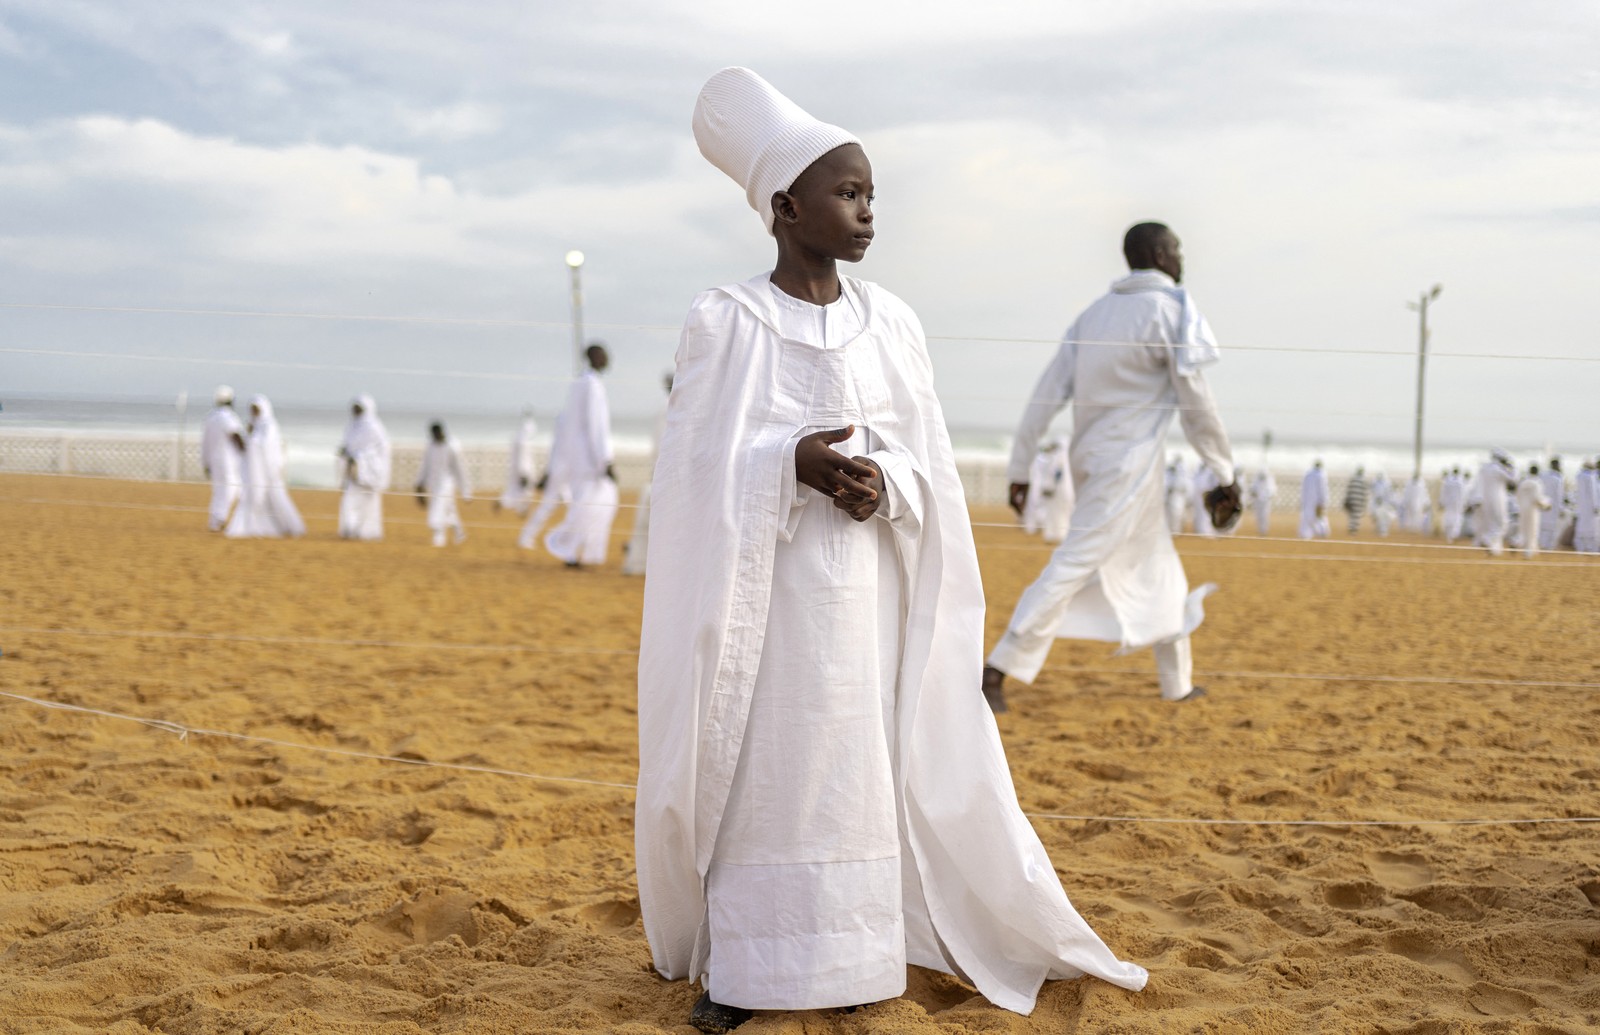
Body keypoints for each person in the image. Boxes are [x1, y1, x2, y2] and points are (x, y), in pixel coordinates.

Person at [636, 67, 1147, 1034]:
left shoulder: (895, 324)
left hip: (866, 591)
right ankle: (748, 968)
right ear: (785, 208)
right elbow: (691, 470)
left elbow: (930, 463)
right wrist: (784, 462)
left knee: (855, 759)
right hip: (768, 602)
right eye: (848, 193)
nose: (868, 213)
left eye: (872, 194)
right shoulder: (726, 319)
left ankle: (857, 953)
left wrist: (887, 484)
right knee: (769, 762)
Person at [981, 220, 1234, 714]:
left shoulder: (1092, 316)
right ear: (1159, 254)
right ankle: (996, 669)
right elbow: (1197, 404)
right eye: (1177, 249)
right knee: (1073, 560)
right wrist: (1223, 470)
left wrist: (1020, 466)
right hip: (1127, 465)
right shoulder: (1171, 313)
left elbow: (1045, 393)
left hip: (1095, 462)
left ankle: (1177, 683)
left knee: (1161, 567)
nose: (1182, 258)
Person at [540, 343, 619, 567]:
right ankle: (564, 545)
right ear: (593, 357)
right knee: (595, 505)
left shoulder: (579, 384)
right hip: (590, 461)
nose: (607, 359)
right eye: (603, 354)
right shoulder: (592, 385)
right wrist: (606, 461)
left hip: (578, 458)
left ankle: (576, 550)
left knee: (587, 505)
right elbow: (597, 427)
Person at [225, 395, 305, 539]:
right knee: (255, 497)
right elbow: (246, 446)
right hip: (254, 472)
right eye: (252, 410)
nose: (254, 413)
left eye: (256, 410)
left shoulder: (270, 426)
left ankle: (286, 526)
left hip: (267, 471)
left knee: (274, 498)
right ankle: (255, 527)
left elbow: (268, 448)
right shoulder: (253, 425)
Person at [623, 373, 673, 576]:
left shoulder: (670, 406)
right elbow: (662, 444)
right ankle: (640, 563)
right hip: (665, 472)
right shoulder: (670, 407)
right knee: (653, 519)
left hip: (662, 471)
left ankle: (640, 562)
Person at [336, 394, 391, 541]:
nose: (355, 411)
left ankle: (366, 532)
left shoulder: (374, 427)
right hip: (354, 472)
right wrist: (345, 453)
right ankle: (350, 529)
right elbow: (349, 445)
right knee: (350, 500)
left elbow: (377, 451)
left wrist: (359, 459)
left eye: (359, 408)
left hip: (368, 473)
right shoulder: (352, 426)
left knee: (368, 503)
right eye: (354, 408)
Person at [415, 421, 471, 547]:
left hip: (447, 483)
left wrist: (466, 492)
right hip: (433, 483)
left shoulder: (452, 446)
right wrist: (420, 484)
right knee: (449, 510)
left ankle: (438, 538)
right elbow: (425, 466)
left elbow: (460, 470)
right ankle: (459, 532)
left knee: (437, 509)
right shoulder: (430, 446)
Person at [199, 385, 246, 531]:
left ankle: (214, 521)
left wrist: (205, 463)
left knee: (218, 491)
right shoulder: (227, 416)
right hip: (228, 460)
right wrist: (246, 451)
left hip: (214, 460)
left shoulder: (210, 417)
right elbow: (235, 435)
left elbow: (205, 442)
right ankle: (220, 517)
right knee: (233, 488)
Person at [1475, 449, 1518, 556]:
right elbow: (1513, 479)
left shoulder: (1484, 468)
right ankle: (1487, 539)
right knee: (1502, 523)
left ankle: (1495, 550)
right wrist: (1512, 467)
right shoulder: (1498, 469)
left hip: (1485, 499)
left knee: (1492, 524)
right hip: (1498, 499)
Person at [497, 412, 539, 515]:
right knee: (523, 492)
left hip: (519, 471)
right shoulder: (523, 441)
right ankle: (519, 509)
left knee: (518, 492)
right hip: (523, 471)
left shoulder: (519, 439)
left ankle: (508, 504)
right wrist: (523, 473)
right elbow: (522, 459)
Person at [1514, 464, 1551, 559]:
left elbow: (1517, 495)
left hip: (1522, 508)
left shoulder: (1523, 482)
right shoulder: (1537, 483)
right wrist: (1546, 504)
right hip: (1532, 509)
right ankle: (1528, 552)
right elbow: (1537, 498)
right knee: (1532, 530)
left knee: (1523, 528)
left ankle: (1517, 542)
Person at [1539, 458, 1566, 551]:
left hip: (1543, 504)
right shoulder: (1558, 477)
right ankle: (1548, 546)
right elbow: (1559, 494)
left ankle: (1542, 544)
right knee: (1552, 527)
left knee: (1542, 526)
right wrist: (1561, 508)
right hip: (1553, 505)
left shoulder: (1542, 475)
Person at [1574, 457, 1599, 553]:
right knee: (1592, 528)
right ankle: (1591, 548)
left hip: (1581, 505)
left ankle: (1581, 547)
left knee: (1581, 526)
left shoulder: (1579, 475)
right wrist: (1596, 506)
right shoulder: (1591, 476)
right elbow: (1593, 493)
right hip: (1590, 506)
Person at [1299, 460, 1329, 539]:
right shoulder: (1321, 475)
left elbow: (1303, 489)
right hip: (1316, 501)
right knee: (1318, 519)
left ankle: (1306, 535)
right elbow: (1323, 490)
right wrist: (1323, 502)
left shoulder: (1308, 474)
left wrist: (1302, 501)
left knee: (1308, 519)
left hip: (1308, 501)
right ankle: (1322, 533)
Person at [1164, 457, 1191, 532]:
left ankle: (1176, 532)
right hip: (1171, 496)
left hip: (1179, 497)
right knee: (1170, 516)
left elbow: (1186, 487)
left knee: (1177, 515)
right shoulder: (1170, 473)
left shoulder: (1183, 472)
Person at [1248, 468, 1276, 535]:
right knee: (1258, 515)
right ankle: (1260, 529)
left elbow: (1272, 491)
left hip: (1266, 502)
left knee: (1265, 515)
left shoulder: (1269, 482)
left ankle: (1264, 529)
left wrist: (1268, 496)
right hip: (1257, 501)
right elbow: (1252, 490)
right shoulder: (1256, 481)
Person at [1342, 466, 1369, 534]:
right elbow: (1365, 492)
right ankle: (1354, 529)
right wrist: (1365, 501)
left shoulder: (1353, 479)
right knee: (1357, 515)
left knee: (1352, 515)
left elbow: (1348, 490)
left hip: (1352, 499)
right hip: (1359, 500)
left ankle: (1351, 527)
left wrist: (1347, 499)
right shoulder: (1364, 480)